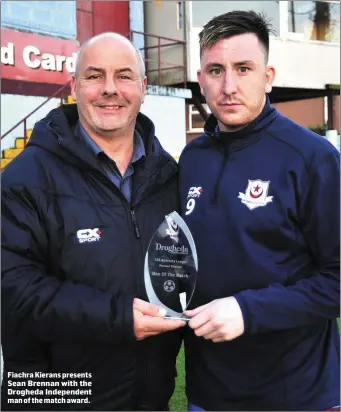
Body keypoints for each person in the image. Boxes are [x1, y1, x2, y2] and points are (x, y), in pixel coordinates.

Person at [1, 32, 186, 411]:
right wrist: (116, 317)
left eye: (123, 76)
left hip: (149, 398)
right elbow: (12, 288)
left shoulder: (169, 175)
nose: (109, 89)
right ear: (74, 85)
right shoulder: (25, 177)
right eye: (94, 76)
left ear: (143, 86)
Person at [178, 11, 340, 411]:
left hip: (296, 394)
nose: (229, 86)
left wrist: (247, 311)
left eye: (243, 69)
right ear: (200, 79)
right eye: (216, 70)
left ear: (267, 76)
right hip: (209, 394)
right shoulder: (191, 158)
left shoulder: (312, 157)